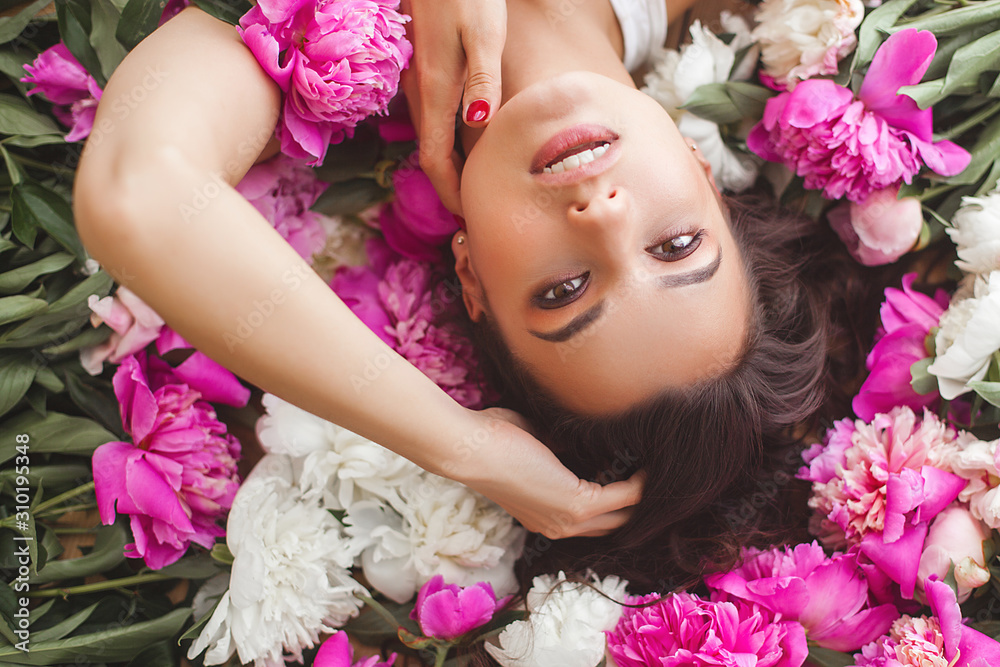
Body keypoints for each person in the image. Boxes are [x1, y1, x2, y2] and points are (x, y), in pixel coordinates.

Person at [72, 0, 889, 589]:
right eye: (676, 245)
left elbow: (135, 194)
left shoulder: (316, 55)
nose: (602, 218)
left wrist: (462, 445)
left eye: (567, 288)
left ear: (472, 276)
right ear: (702, 174)